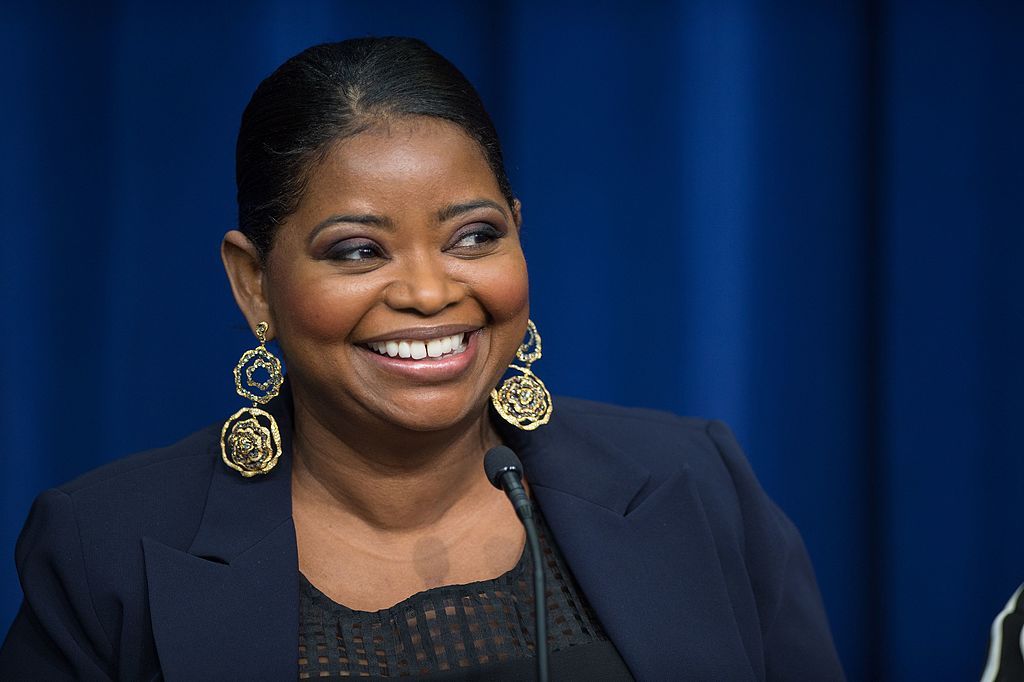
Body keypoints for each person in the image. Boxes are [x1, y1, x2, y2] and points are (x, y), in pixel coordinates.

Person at [0, 37, 844, 680]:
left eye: (474, 236)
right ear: (254, 283)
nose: (431, 292)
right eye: (359, 251)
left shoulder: (695, 481)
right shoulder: (103, 550)